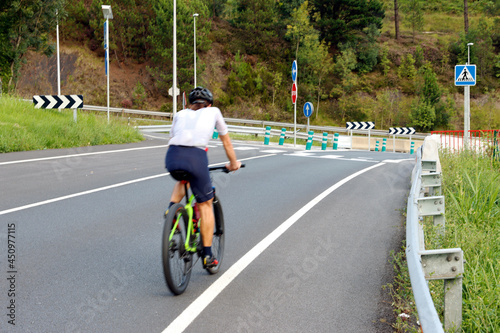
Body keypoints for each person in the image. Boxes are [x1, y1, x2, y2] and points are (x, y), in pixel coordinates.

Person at [165, 86, 241, 268]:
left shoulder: (180, 114)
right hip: (196, 158)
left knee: (184, 180)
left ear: (190, 104)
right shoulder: (213, 112)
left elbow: (173, 137)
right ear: (209, 104)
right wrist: (233, 163)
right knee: (205, 203)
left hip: (173, 157)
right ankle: (207, 255)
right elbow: (227, 143)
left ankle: (171, 212)